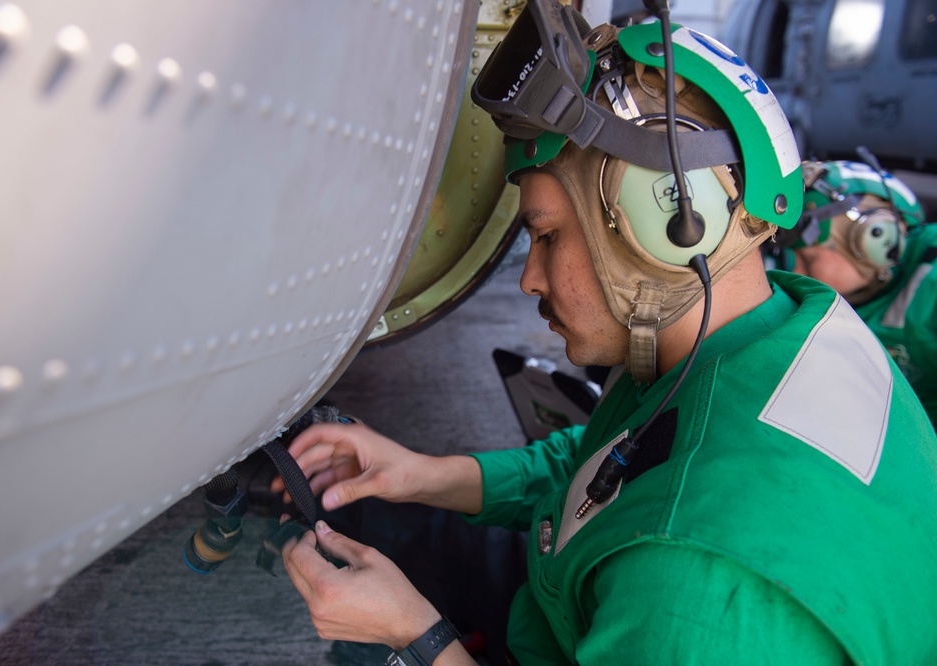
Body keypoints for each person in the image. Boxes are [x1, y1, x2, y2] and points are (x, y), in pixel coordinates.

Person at [277, 2, 937, 664]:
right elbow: (610, 461)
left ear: (674, 225)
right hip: (576, 597)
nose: (529, 279)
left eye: (545, 235)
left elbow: (664, 511)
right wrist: (419, 473)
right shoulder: (775, 331)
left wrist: (414, 633)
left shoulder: (695, 586)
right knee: (386, 521)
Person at [764, 159, 937, 426]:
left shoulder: (931, 282)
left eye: (807, 260)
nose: (795, 273)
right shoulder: (836, 295)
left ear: (876, 240)